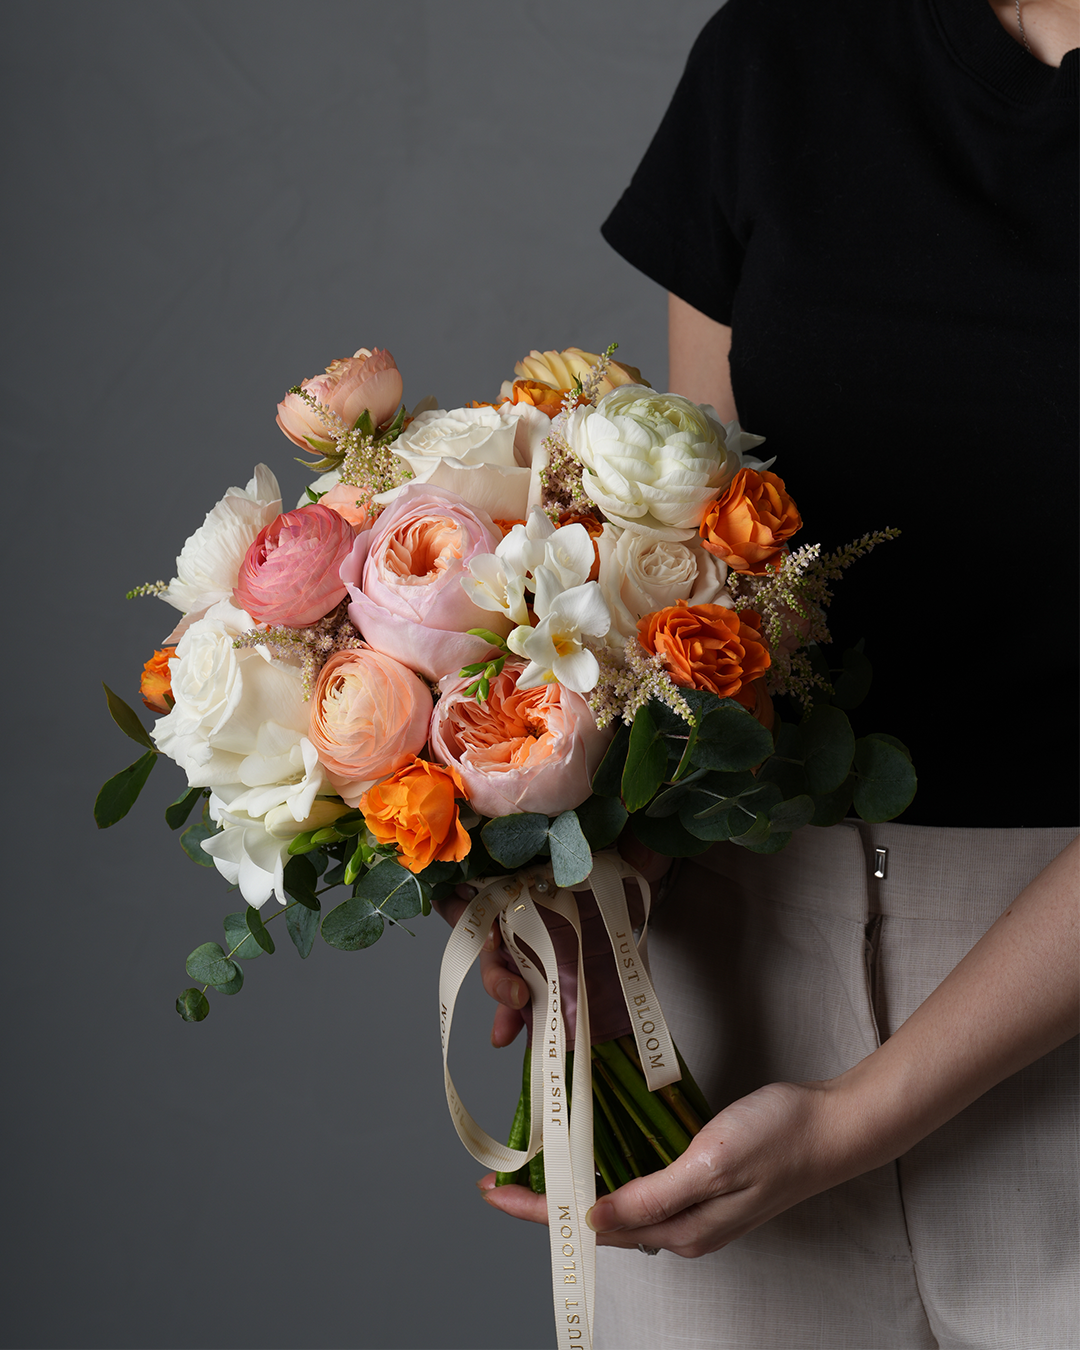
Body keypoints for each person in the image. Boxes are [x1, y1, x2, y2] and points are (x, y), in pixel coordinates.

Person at [472, 2, 1080, 1346]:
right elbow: (713, 588)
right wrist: (573, 888)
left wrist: (859, 1116)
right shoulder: (782, 53)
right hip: (732, 1017)